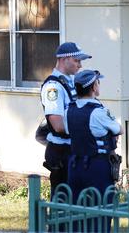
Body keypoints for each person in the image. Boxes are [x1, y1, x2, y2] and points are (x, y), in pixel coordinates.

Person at [66, 69, 122, 232]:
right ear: (92, 87)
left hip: (75, 165)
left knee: (77, 209)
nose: (99, 85)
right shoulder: (98, 111)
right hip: (97, 166)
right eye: (98, 82)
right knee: (102, 209)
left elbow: (69, 130)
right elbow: (119, 129)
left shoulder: (70, 109)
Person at [40, 42, 91, 198]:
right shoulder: (53, 87)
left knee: (76, 199)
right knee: (62, 200)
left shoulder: (70, 83)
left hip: (73, 148)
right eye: (77, 61)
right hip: (61, 151)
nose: (80, 65)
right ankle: (58, 223)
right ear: (64, 59)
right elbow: (57, 124)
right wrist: (87, 129)